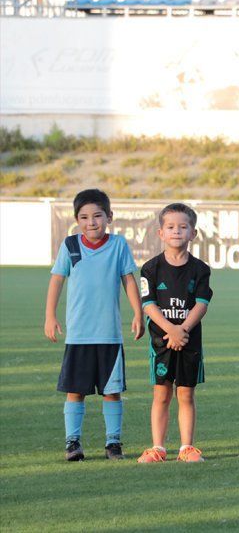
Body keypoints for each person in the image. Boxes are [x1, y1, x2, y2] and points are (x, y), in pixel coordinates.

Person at [44, 188, 144, 461]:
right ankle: (72, 443)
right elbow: (57, 280)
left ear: (109, 217)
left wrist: (137, 313)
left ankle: (113, 443)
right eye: (84, 217)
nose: (91, 222)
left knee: (112, 392)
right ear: (77, 220)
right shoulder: (70, 245)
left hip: (109, 335)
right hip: (78, 334)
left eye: (97, 216)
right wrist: (50, 315)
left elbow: (129, 280)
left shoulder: (118, 245)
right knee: (75, 391)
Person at [137, 203, 212, 464]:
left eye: (183, 226)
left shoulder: (200, 269)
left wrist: (183, 330)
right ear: (161, 233)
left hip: (189, 340)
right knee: (161, 393)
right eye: (170, 227)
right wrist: (171, 330)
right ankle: (157, 448)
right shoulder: (150, 268)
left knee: (186, 394)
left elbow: (201, 304)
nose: (176, 231)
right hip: (161, 341)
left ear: (193, 233)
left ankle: (187, 448)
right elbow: (149, 305)